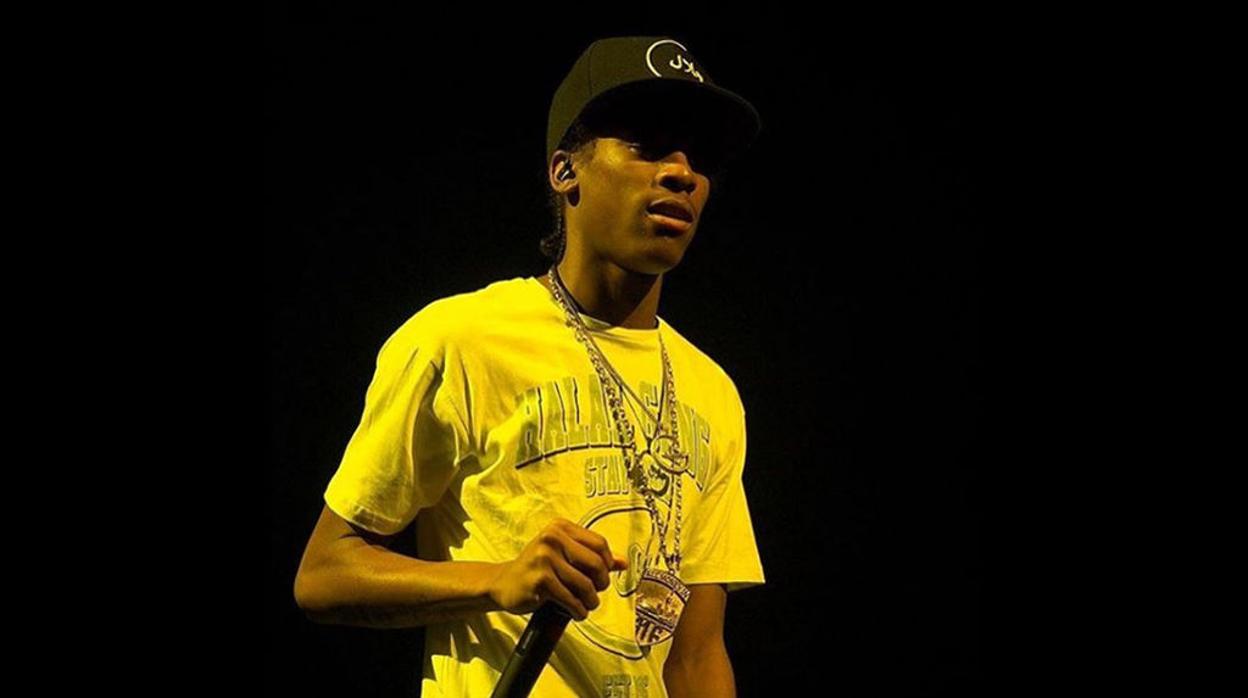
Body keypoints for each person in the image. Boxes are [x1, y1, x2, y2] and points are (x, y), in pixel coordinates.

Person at [294, 36, 766, 697]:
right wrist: (497, 579)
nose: (682, 173)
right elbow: (323, 575)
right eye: (648, 145)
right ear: (565, 171)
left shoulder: (711, 389)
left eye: (699, 157)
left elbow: (696, 655)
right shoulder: (460, 340)